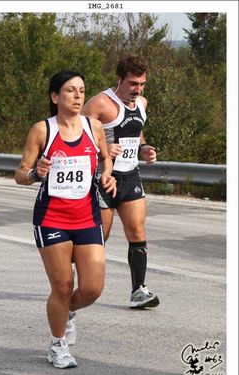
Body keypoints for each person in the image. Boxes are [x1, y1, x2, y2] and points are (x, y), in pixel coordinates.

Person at [15, 70, 116, 369]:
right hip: (52, 219)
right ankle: (58, 344)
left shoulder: (94, 126)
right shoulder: (42, 131)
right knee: (62, 286)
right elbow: (20, 174)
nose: (77, 96)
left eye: (82, 91)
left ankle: (67, 311)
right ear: (55, 96)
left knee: (92, 289)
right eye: (70, 91)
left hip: (87, 217)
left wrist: (106, 175)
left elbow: (103, 158)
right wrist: (36, 173)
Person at [82, 54, 160, 309]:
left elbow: (136, 132)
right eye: (132, 84)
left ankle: (138, 290)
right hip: (103, 178)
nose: (137, 90)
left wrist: (144, 148)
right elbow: (73, 135)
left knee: (137, 230)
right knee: (99, 237)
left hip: (130, 175)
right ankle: (79, 280)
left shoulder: (142, 103)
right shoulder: (100, 104)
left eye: (142, 84)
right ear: (120, 80)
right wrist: (102, 149)